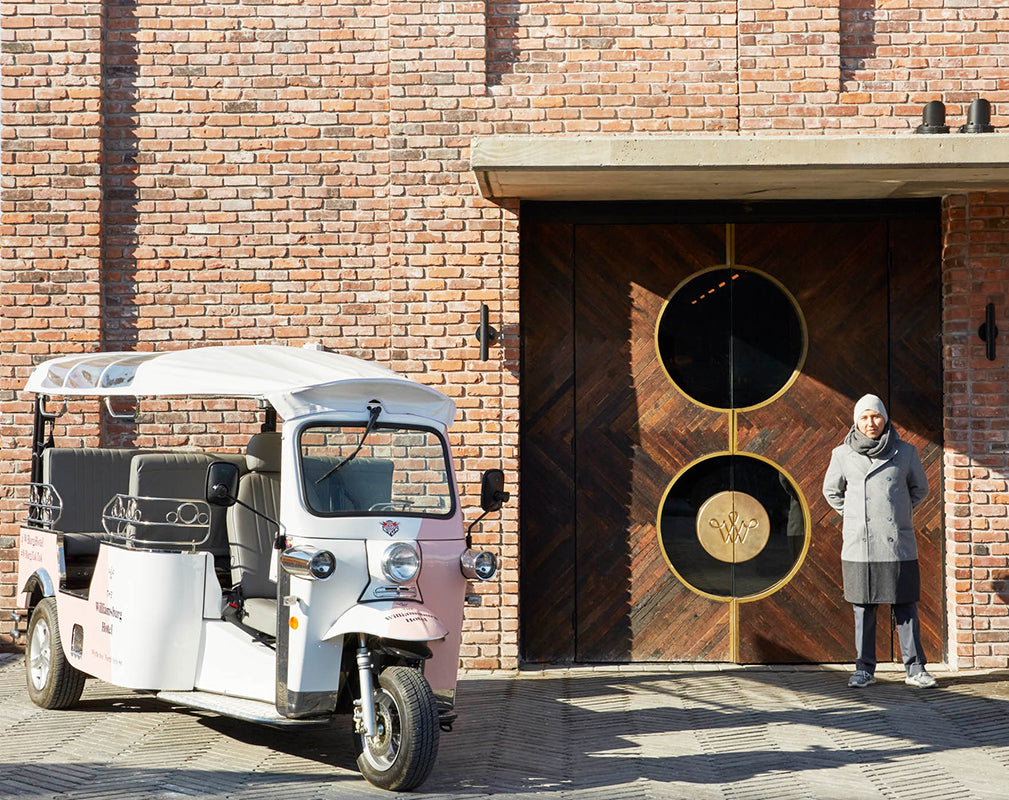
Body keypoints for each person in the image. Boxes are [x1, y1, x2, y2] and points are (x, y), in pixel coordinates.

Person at [822, 394, 936, 689]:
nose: (870, 423)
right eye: (863, 417)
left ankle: (916, 668)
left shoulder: (907, 452)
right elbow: (831, 492)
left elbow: (919, 489)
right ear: (855, 421)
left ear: (884, 418)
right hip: (861, 543)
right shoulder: (842, 454)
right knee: (863, 606)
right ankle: (864, 669)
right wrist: (858, 516)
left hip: (896, 541)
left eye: (875, 416)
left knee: (905, 604)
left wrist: (895, 511)